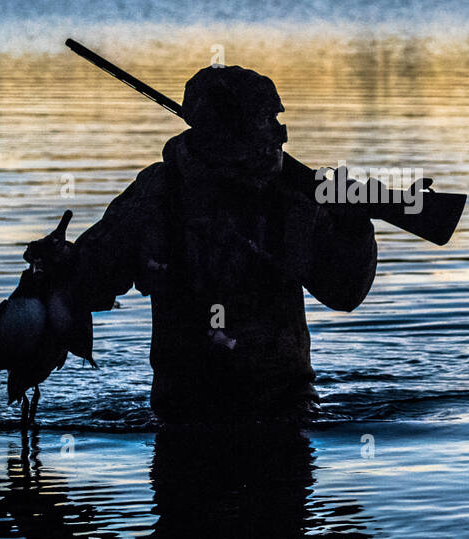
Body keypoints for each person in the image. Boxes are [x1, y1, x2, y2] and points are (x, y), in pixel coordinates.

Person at [28, 65, 378, 423]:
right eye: (265, 122)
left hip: (286, 408)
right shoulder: (157, 195)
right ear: (222, 132)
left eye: (278, 121)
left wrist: (354, 226)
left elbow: (344, 293)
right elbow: (91, 281)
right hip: (183, 410)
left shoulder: (292, 199)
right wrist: (57, 261)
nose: (280, 136)